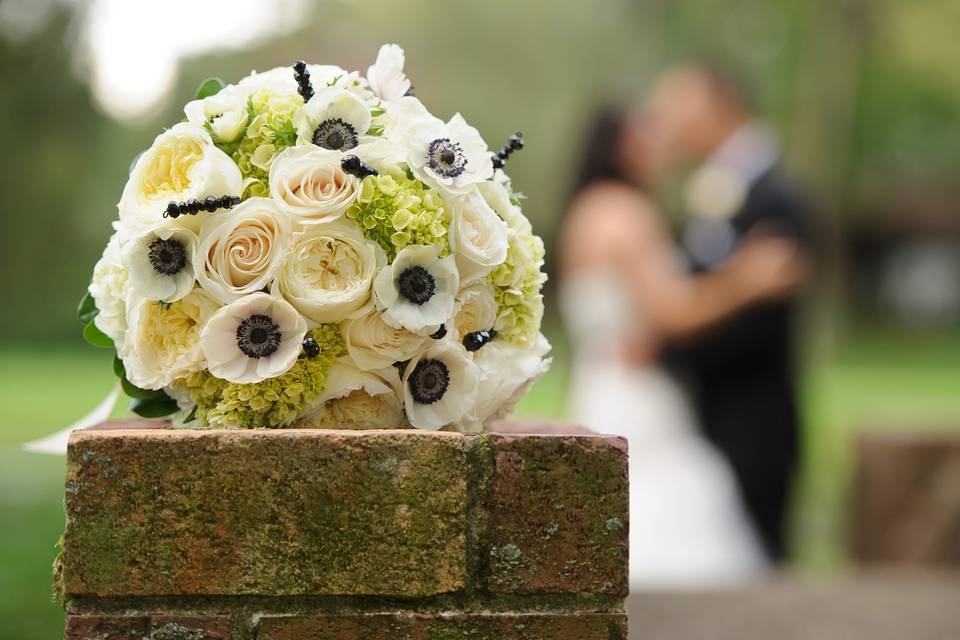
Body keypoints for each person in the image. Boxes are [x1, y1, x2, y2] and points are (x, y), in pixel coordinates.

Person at [558, 106, 806, 588]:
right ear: (621, 146)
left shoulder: (585, 208)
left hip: (600, 383)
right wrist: (749, 279)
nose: (660, 148)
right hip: (639, 395)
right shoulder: (626, 211)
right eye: (646, 136)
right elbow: (672, 312)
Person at [643, 63, 815, 561]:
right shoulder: (710, 189)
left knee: (757, 554)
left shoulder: (775, 196)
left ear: (719, 102)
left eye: (679, 104)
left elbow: (766, 318)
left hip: (753, 414)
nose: (669, 119)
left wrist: (671, 343)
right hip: (698, 412)